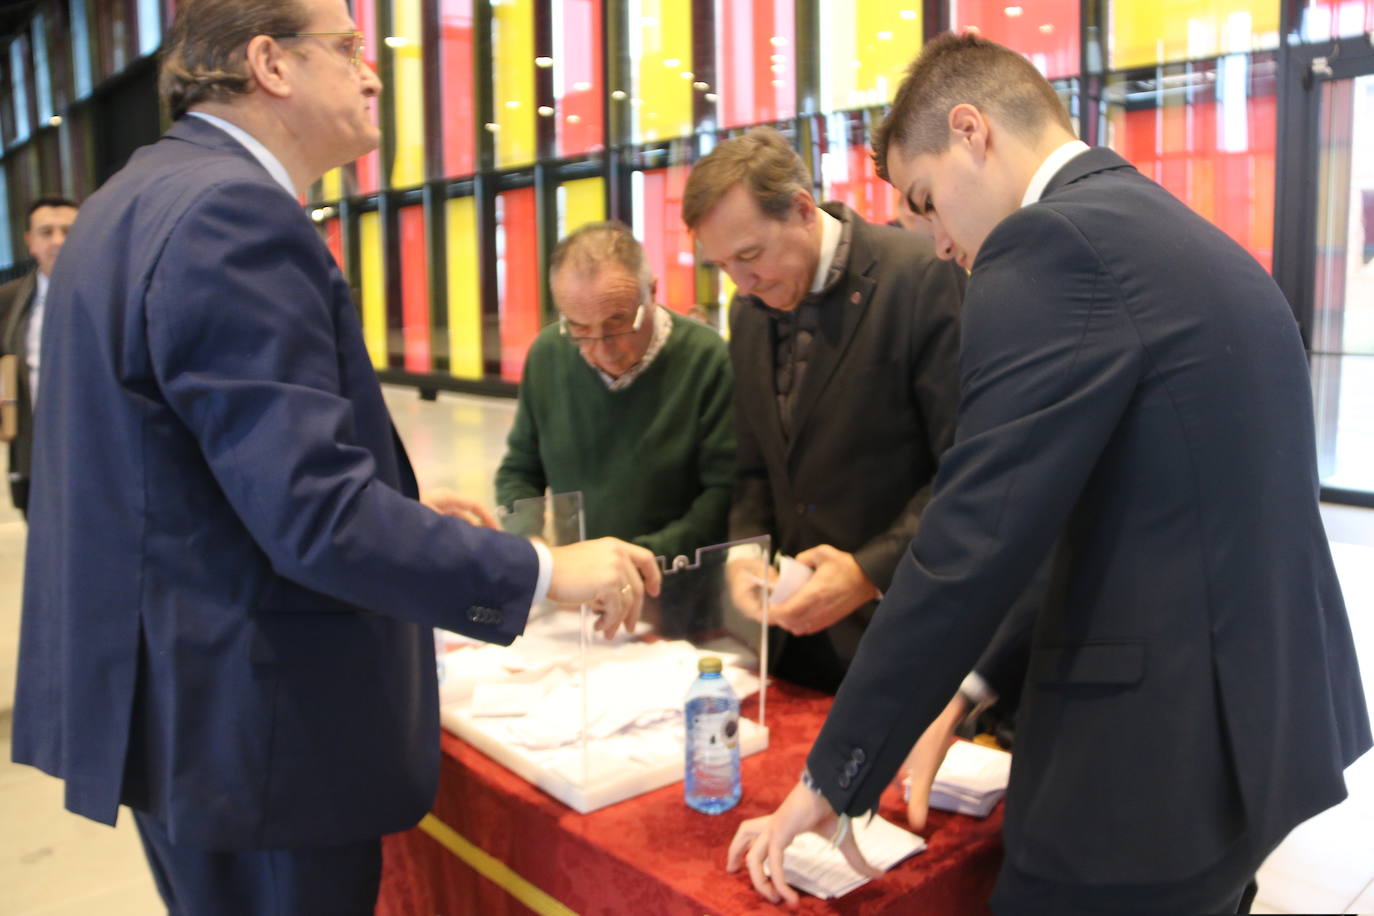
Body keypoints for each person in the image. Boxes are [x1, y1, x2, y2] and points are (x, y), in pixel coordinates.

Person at [10, 2, 660, 914]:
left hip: (177, 705)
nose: (374, 70)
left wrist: (400, 504)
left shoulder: (130, 198)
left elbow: (188, 468)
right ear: (270, 63)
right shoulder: (233, 214)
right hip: (262, 729)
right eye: (350, 46)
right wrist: (546, 570)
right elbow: (316, 517)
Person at [726, 33, 1371, 914]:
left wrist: (831, 778)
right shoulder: (1160, 226)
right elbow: (1097, 507)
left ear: (972, 132)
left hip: (1147, 762)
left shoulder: (1049, 246)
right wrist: (966, 689)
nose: (943, 243)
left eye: (927, 201)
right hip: (1252, 724)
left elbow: (972, 537)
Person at [682, 126, 970, 695]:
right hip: (791, 640)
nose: (742, 282)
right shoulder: (747, 312)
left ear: (801, 209)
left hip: (903, 634)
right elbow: (753, 465)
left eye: (750, 255)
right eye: (722, 266)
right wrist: (744, 554)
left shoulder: (920, 277)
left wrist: (869, 572)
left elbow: (963, 466)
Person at [495, 220, 734, 564]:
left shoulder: (707, 358)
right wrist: (530, 544)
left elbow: (724, 495)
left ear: (652, 293)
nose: (603, 348)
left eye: (618, 323)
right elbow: (520, 470)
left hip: (680, 577)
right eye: (579, 328)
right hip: (581, 580)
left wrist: (636, 561)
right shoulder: (548, 352)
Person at [0, 196, 79, 517]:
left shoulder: (113, 296)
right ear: (31, 242)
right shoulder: (9, 300)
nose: (58, 241)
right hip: (35, 454)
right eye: (46, 232)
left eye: (68, 231)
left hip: (96, 450)